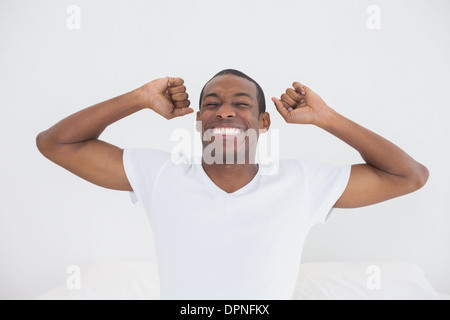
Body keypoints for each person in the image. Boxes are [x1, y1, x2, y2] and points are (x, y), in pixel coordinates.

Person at [36, 69, 429, 300]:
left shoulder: (301, 182)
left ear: (263, 122)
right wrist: (139, 98)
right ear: (198, 120)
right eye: (211, 103)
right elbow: (55, 143)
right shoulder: (162, 175)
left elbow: (409, 176)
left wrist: (326, 117)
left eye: (241, 103)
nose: (224, 109)